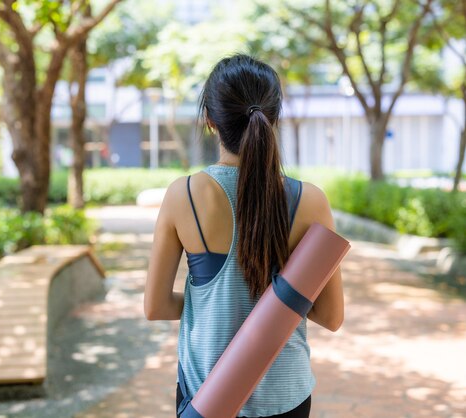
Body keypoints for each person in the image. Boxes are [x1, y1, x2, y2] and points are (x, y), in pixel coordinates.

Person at [143, 54, 344, 418]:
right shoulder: (310, 200)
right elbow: (331, 316)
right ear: (274, 118)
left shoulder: (183, 195)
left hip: (207, 397)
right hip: (287, 396)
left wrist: (213, 306)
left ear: (210, 121)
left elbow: (155, 306)